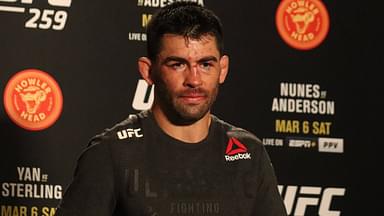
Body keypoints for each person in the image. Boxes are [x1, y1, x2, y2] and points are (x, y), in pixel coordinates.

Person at [56, 2, 287, 216]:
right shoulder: (113, 154)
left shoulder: (249, 153)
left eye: (206, 64)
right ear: (148, 71)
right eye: (178, 64)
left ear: (223, 68)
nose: (194, 80)